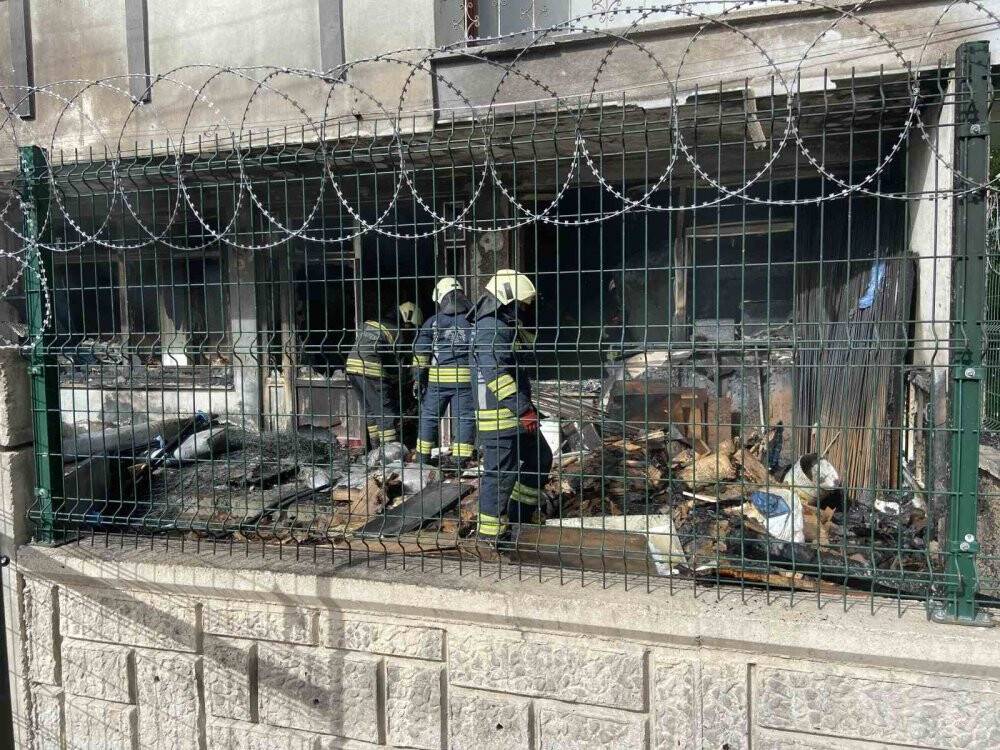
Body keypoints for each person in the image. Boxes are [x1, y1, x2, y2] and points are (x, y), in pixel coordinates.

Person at [469, 269, 552, 544]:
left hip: (514, 415)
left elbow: (526, 352)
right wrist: (523, 409)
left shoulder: (502, 326)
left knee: (540, 457)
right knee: (499, 476)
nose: (524, 309)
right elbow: (495, 372)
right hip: (502, 418)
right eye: (521, 304)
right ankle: (489, 537)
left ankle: (519, 516)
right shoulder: (489, 328)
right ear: (507, 299)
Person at [413, 277, 476, 465]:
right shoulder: (472, 322)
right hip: (464, 379)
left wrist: (418, 379)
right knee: (465, 418)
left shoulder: (433, 322)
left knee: (429, 418)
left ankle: (422, 459)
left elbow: (421, 355)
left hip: (437, 381)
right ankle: (459, 461)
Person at [347, 302, 422, 448]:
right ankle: (390, 452)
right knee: (385, 411)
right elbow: (396, 363)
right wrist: (401, 379)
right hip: (371, 370)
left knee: (370, 411)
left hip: (352, 369)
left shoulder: (370, 323)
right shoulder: (396, 332)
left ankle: (375, 448)